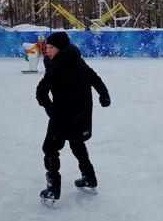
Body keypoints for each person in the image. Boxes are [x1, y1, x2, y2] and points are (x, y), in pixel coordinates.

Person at [35, 32, 111, 207]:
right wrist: (104, 95)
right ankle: (90, 179)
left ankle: (53, 189)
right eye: (47, 47)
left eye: (51, 47)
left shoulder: (56, 66)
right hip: (82, 114)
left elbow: (41, 92)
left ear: (60, 49)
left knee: (50, 148)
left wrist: (49, 108)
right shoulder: (78, 60)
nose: (47, 50)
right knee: (77, 143)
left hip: (62, 115)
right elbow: (95, 78)